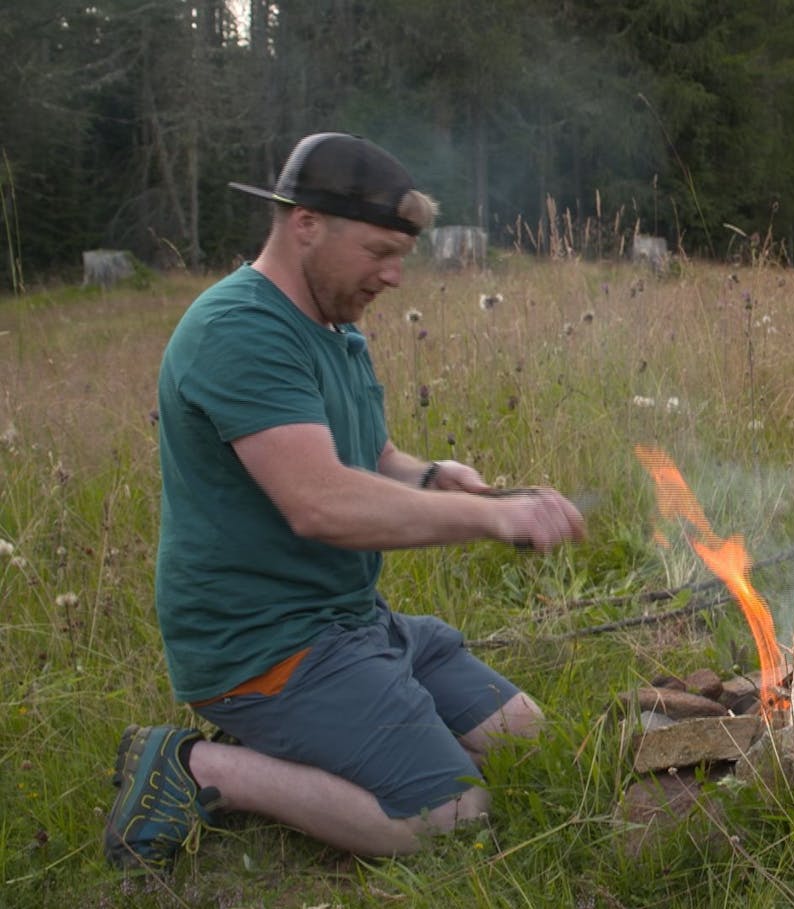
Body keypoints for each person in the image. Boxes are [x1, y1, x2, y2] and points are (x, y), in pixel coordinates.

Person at [104, 132, 586, 871]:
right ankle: (201, 766)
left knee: (529, 741)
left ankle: (344, 739)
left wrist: (431, 475)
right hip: (265, 646)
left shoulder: (336, 327)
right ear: (306, 225)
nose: (394, 276)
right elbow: (320, 502)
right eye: (378, 252)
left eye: (402, 256)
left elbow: (369, 459)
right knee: (450, 817)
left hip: (354, 624)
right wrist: (494, 516)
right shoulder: (240, 331)